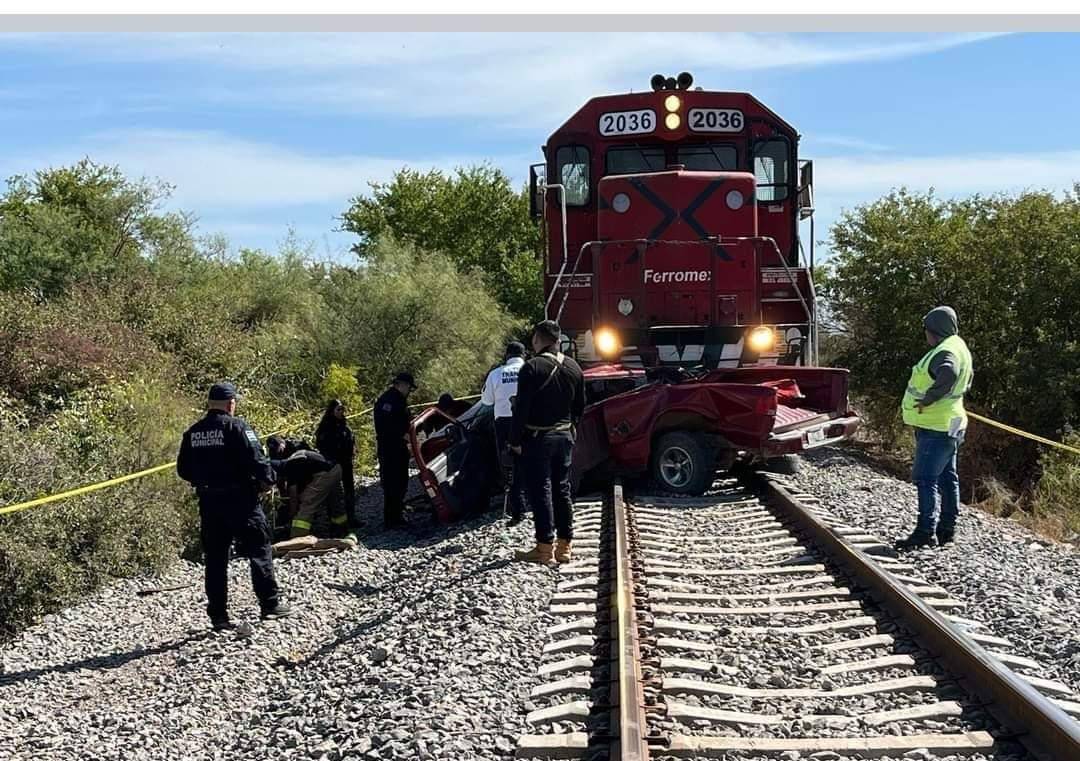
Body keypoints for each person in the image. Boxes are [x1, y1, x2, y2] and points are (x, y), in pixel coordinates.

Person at [176, 382, 291, 631]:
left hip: (210, 503)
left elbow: (183, 469)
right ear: (231, 404)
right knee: (259, 551)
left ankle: (218, 616)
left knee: (216, 560)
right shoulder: (237, 427)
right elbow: (259, 461)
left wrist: (204, 480)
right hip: (241, 501)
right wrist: (267, 481)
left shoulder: (193, 432)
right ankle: (269, 604)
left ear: (209, 404)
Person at [896, 306, 974, 550]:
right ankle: (947, 530)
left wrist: (928, 399)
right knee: (947, 477)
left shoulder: (945, 351)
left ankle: (924, 532)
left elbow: (948, 372)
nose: (925, 334)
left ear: (933, 330)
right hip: (951, 422)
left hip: (935, 426)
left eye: (926, 330)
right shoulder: (958, 344)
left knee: (925, 479)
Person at [509, 321, 586, 565]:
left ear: (536, 339)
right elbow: (580, 407)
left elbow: (522, 409)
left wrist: (514, 440)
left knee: (541, 490)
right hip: (565, 436)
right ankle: (565, 547)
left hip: (537, 438)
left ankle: (544, 548)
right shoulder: (574, 367)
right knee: (562, 489)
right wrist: (571, 429)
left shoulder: (531, 368)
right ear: (558, 339)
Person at [481, 341, 528, 526]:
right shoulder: (531, 370)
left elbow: (486, 400)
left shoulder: (496, 374)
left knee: (509, 465)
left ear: (506, 356)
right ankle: (537, 502)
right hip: (527, 422)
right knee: (531, 460)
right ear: (524, 355)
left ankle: (517, 510)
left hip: (503, 422)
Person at [267, 436, 349, 538]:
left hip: (326, 473)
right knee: (335, 501)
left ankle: (297, 536)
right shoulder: (293, 459)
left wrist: (292, 516)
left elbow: (293, 496)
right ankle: (342, 530)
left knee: (307, 502)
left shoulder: (291, 466)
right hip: (335, 468)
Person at [374, 372, 416, 529]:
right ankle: (392, 519)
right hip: (391, 448)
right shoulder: (389, 401)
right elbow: (388, 427)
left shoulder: (396, 400)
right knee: (393, 483)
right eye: (409, 387)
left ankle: (397, 514)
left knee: (400, 482)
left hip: (396, 447)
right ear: (402, 384)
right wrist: (403, 434)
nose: (409, 391)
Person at [315, 399, 359, 528]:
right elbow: (322, 445)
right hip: (334, 464)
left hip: (346, 462)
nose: (341, 412)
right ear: (332, 411)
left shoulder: (344, 424)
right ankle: (336, 521)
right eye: (338, 409)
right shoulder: (326, 427)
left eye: (342, 409)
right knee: (335, 493)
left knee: (349, 491)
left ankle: (351, 518)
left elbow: (350, 439)